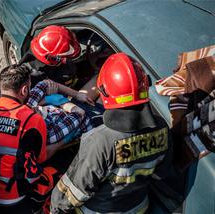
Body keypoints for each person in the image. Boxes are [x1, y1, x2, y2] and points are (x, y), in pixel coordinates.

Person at [51, 53, 173, 213]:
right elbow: (161, 174)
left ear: (105, 92)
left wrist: (55, 208)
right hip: (139, 208)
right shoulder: (162, 128)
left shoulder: (100, 140)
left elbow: (72, 192)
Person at [0, 65, 60, 213]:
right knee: (53, 172)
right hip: (15, 197)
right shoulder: (33, 119)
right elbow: (41, 158)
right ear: (25, 90)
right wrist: (61, 142)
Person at [27, 79, 92, 152]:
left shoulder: (27, 107)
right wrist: (56, 100)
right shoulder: (49, 135)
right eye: (35, 111)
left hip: (69, 106)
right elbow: (80, 112)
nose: (35, 107)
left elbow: (44, 84)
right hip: (89, 121)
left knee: (97, 80)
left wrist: (76, 94)